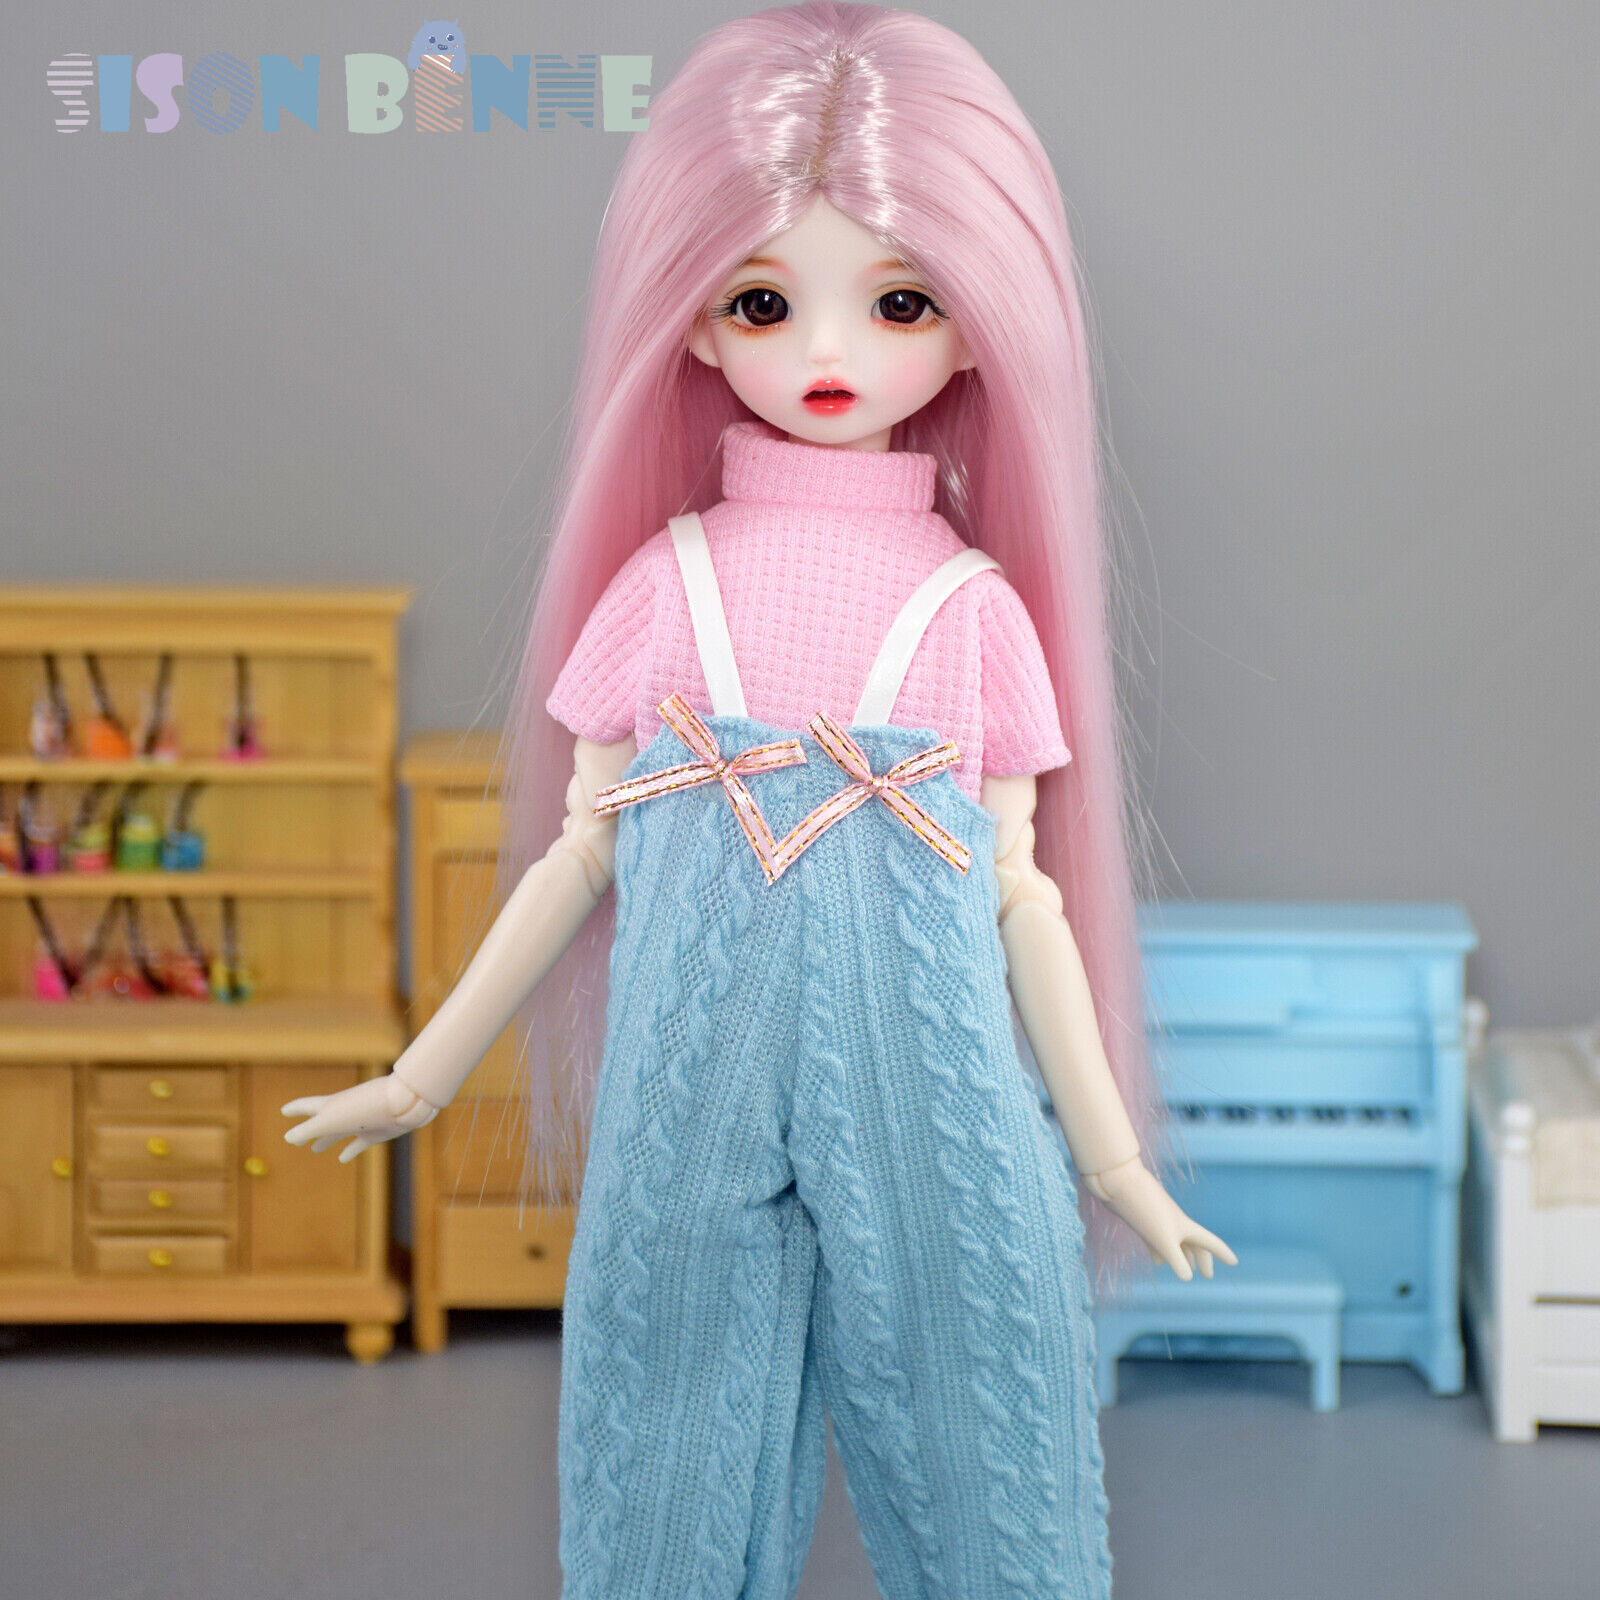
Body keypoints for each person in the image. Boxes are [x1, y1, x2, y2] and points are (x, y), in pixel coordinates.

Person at [285, 6, 1233, 1596]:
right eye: (764, 301)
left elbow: (1023, 891)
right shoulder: (665, 586)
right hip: (688, 1094)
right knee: (658, 1478)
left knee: (993, 1464)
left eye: (901, 301)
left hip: (935, 1094)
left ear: (980, 325)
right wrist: (421, 1076)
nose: (829, 353)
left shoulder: (975, 609)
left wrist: (1112, 1155)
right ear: (695, 324)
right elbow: (581, 853)